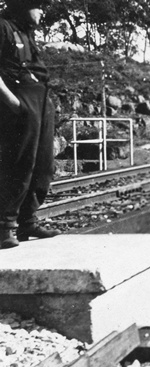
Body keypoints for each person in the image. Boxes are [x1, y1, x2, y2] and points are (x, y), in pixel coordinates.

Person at [0, 0, 59, 249]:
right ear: (22, 6)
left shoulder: (26, 32)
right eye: (37, 6)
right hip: (19, 101)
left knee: (43, 164)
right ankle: (5, 227)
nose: (41, 11)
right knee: (19, 163)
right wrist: (13, 103)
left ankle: (28, 221)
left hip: (40, 101)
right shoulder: (3, 27)